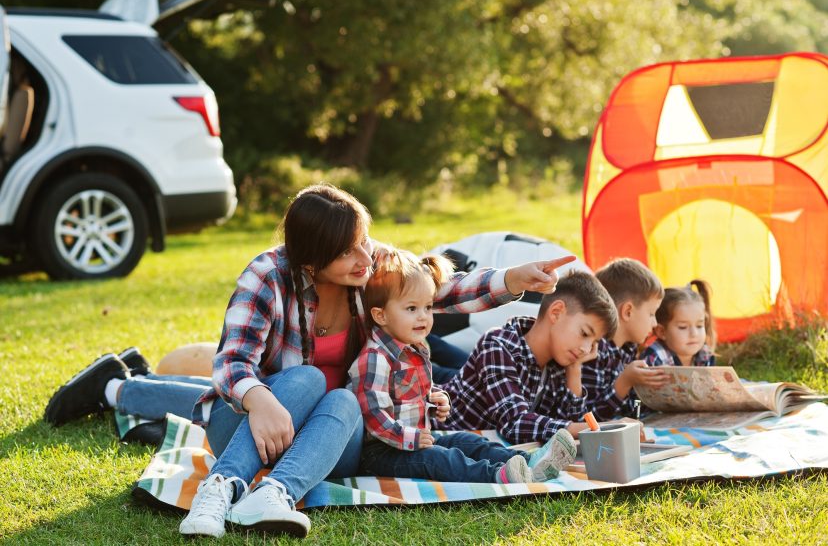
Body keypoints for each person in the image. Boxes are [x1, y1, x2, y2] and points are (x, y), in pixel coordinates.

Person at [43, 183, 578, 538]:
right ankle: (218, 481)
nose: (366, 260)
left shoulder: (365, 267)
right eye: (350, 252)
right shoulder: (266, 277)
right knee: (297, 380)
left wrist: (511, 280)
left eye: (365, 243)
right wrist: (259, 401)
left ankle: (127, 394)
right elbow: (230, 366)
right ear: (309, 261)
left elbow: (431, 288)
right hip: (257, 422)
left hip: (327, 435)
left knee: (339, 395)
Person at [348, 246, 576, 484]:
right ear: (380, 315)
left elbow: (411, 391)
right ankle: (497, 476)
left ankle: (528, 462)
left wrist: (434, 398)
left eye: (427, 307)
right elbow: (374, 415)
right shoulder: (375, 358)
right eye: (411, 309)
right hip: (382, 451)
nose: (423, 317)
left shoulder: (413, 348)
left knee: (468, 442)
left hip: (414, 439)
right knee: (440, 459)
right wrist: (410, 437)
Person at [433, 271, 618, 442]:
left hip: (492, 456)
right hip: (444, 445)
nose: (587, 349)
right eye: (585, 333)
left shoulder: (558, 364)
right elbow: (514, 423)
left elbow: (571, 431)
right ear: (556, 312)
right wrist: (594, 428)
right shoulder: (499, 345)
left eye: (594, 343)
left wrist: (574, 369)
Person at [580, 258, 670, 421]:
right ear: (628, 311)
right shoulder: (593, 351)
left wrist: (647, 394)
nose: (655, 323)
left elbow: (631, 409)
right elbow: (590, 418)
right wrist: (625, 381)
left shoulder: (628, 349)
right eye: (651, 314)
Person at [642, 280, 716, 367]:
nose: (694, 334)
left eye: (699, 326)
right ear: (661, 331)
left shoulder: (705, 355)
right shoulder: (654, 357)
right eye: (683, 327)